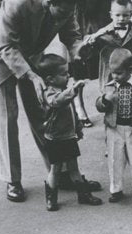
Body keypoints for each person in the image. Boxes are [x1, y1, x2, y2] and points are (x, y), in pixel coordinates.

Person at [0, 0, 102, 203]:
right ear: (48, 2)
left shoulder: (65, 6)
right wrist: (32, 76)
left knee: (43, 115)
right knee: (7, 118)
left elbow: (71, 36)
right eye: (62, 12)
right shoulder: (16, 1)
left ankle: (59, 173)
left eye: (69, 12)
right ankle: (12, 180)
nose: (65, 16)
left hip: (31, 57)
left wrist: (79, 52)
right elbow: (6, 46)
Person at [34, 54, 102, 211]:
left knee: (74, 167)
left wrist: (77, 128)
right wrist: (73, 90)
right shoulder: (49, 93)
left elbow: (72, 113)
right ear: (50, 79)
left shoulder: (64, 90)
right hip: (55, 139)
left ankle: (83, 195)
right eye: (64, 74)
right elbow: (57, 101)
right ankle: (51, 198)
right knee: (55, 169)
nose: (68, 76)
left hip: (68, 137)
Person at [95, 48, 132, 204]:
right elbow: (99, 106)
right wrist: (105, 100)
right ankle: (116, 189)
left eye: (119, 73)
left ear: (130, 70)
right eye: (113, 73)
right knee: (115, 159)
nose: (115, 76)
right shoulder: (109, 86)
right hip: (114, 128)